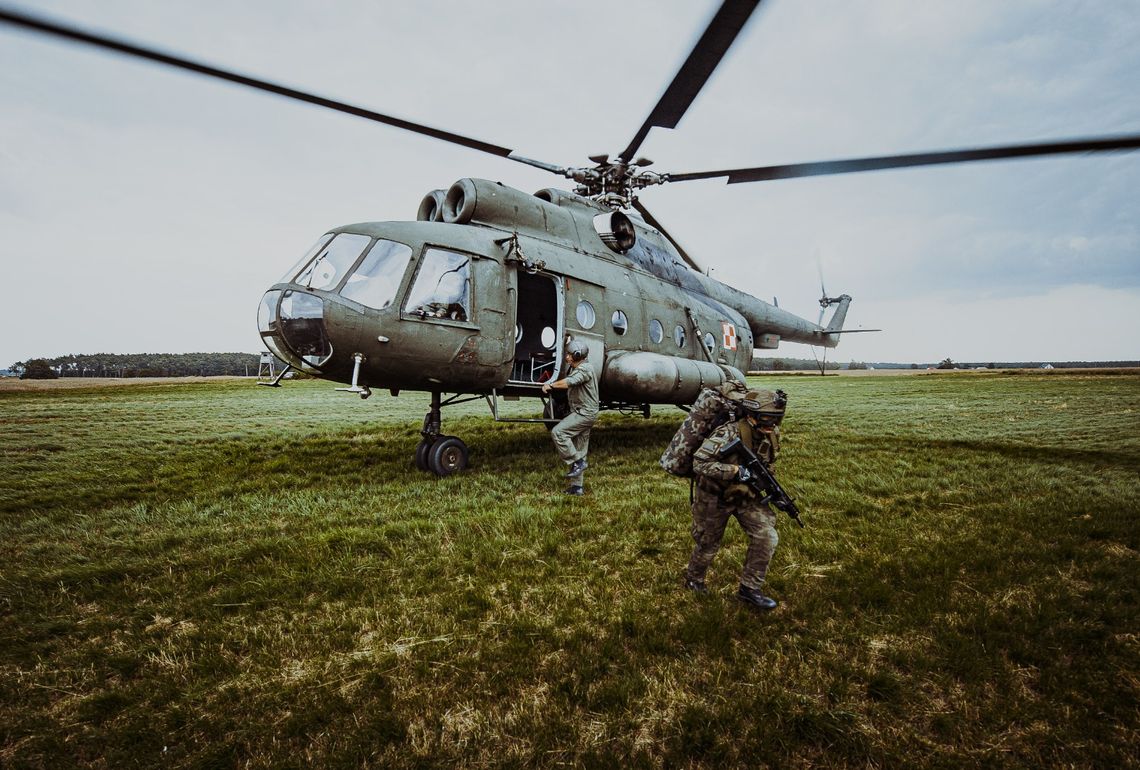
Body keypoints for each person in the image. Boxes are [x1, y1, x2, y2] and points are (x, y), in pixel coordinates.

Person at [684, 389, 788, 611]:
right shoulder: (728, 433)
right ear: (752, 415)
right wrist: (734, 471)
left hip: (745, 495)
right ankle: (694, 579)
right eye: (768, 418)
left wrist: (773, 492)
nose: (773, 424)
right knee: (708, 544)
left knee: (766, 536)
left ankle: (750, 589)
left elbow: (767, 466)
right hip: (714, 496)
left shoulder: (771, 434)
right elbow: (699, 463)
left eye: (776, 418)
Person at [541, 339, 598, 495]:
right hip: (583, 412)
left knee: (558, 433)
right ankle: (577, 487)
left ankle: (576, 461)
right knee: (580, 448)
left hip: (584, 414)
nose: (566, 357)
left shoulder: (585, 369)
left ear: (577, 355)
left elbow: (570, 382)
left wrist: (550, 385)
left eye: (569, 354)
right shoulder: (577, 368)